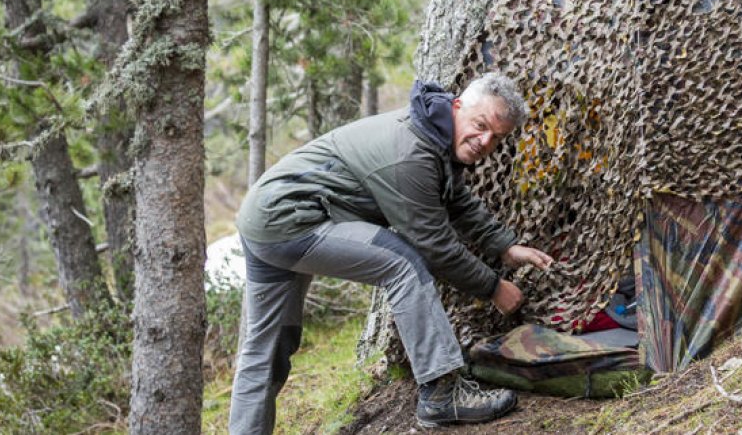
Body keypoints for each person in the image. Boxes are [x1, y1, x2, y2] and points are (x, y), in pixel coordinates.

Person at [228, 73, 552, 433]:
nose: (485, 141)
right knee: (403, 263)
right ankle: (441, 393)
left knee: (266, 351)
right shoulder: (412, 152)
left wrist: (504, 245)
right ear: (458, 106)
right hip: (291, 220)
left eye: (497, 137)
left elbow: (454, 199)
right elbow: (435, 245)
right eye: (481, 126)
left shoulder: (432, 131)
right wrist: (493, 287)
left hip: (262, 215)